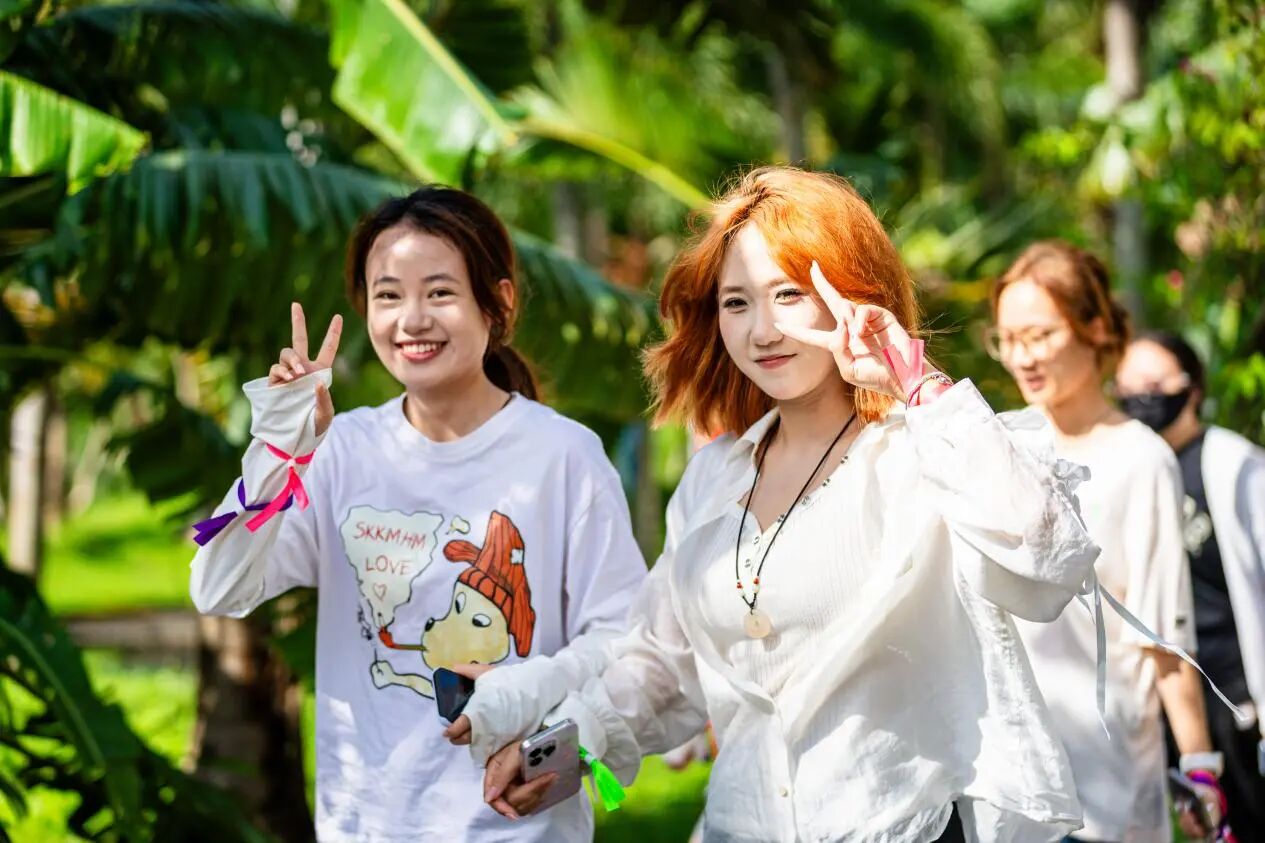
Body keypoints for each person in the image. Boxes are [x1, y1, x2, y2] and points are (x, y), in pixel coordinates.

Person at [454, 167, 1104, 841]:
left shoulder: (922, 449)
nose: (762, 330)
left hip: (896, 825)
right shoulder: (713, 479)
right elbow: (662, 665)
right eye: (736, 303)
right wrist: (560, 750)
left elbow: (1047, 558)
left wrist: (915, 382)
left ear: (854, 295)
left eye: (789, 294)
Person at [188, 186, 647, 841]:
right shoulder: (341, 450)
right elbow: (218, 585)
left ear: (498, 303)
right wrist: (280, 448)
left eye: (439, 292)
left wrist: (558, 753)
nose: (412, 319)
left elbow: (626, 645)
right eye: (387, 295)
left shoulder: (563, 455)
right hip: (364, 827)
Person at [990, 241, 1226, 842]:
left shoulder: (1141, 459)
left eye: (1040, 335)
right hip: (1008, 792)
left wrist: (1200, 766)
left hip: (1104, 795)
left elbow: (1163, 633)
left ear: (1095, 328)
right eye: (1008, 339)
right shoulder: (1002, 445)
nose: (1022, 357)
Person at [1117, 331, 1265, 841]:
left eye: (1155, 384)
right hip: (1171, 698)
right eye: (1127, 386)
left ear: (1193, 388)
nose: (1141, 397)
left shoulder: (1233, 465)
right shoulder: (1132, 469)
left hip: (1238, 697)